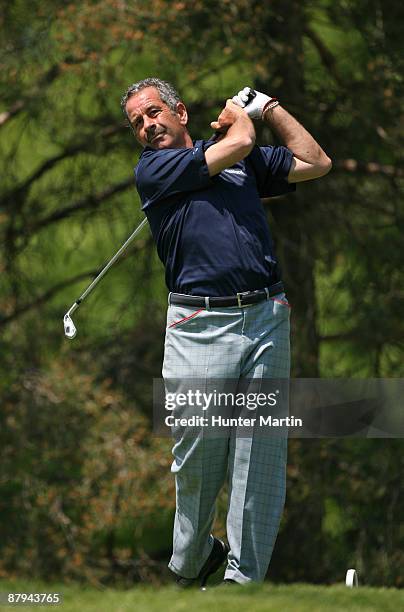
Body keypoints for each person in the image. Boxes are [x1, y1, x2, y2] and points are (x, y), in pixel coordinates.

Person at [121, 78, 331, 587]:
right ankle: (192, 560)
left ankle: (244, 581)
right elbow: (238, 142)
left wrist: (269, 108)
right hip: (197, 326)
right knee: (197, 454)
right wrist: (240, 119)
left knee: (259, 454)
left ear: (180, 113)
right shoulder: (156, 170)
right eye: (138, 123)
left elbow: (316, 162)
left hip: (264, 317)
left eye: (154, 113)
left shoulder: (239, 161)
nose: (148, 126)